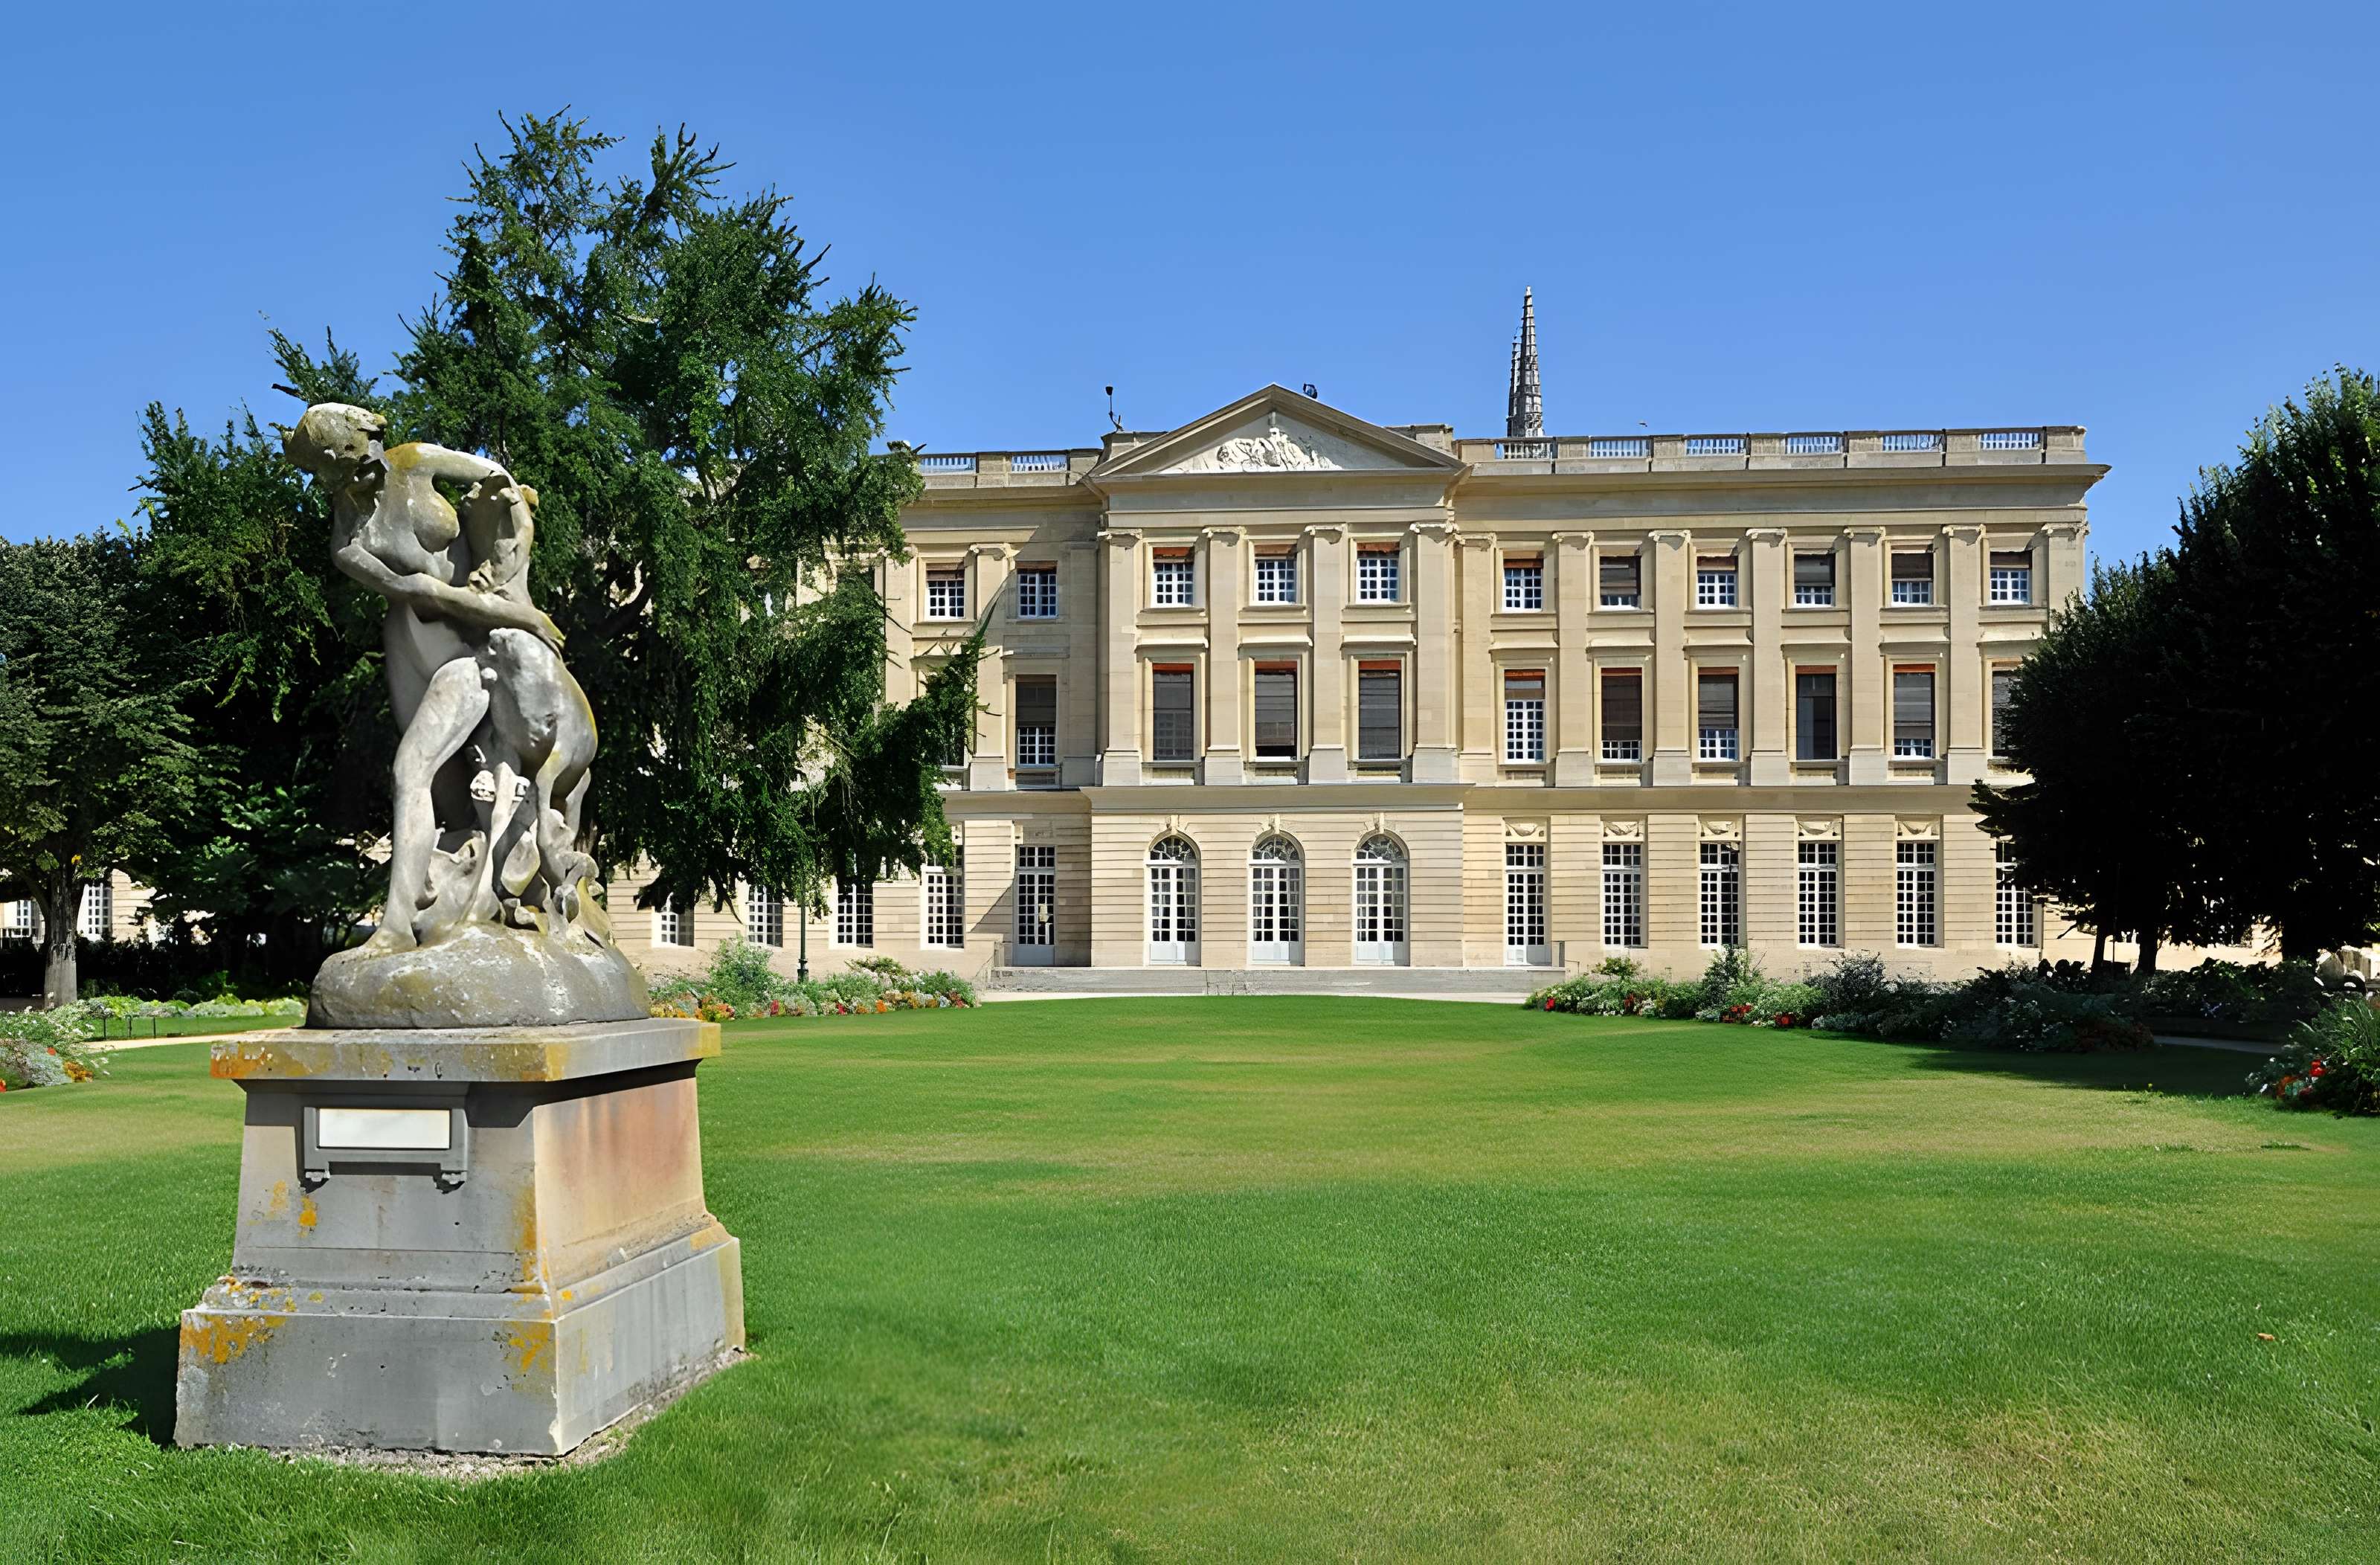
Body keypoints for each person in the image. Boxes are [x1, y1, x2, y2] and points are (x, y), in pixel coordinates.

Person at [283, 402, 565, 950]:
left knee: (429, 772)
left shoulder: (414, 462)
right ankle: (397, 924)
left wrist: (511, 563)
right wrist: (524, 616)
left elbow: (502, 483)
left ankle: (486, 887)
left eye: (363, 455)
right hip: (428, 639)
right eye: (338, 471)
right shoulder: (348, 545)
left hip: (479, 629)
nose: (365, 472)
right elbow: (424, 592)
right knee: (419, 774)